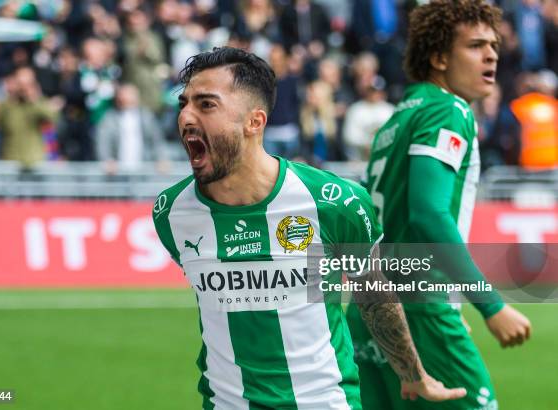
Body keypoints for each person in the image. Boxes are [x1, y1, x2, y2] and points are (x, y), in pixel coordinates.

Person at [153, 46, 465, 410]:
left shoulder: (335, 203)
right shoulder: (171, 213)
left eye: (206, 105)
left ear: (255, 122)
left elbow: (375, 297)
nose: (186, 116)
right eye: (183, 104)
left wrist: (413, 374)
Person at [344, 2, 532, 409]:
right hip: (419, 305)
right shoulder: (449, 110)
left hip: (371, 308)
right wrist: (491, 305)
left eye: (494, 45)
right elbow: (428, 215)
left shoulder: (397, 119)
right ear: (439, 57)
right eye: (476, 45)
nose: (491, 55)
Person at [95, 83, 169, 172]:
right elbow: (103, 142)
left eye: (129, 96)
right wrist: (107, 160)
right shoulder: (109, 118)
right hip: (117, 170)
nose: (124, 99)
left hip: (143, 168)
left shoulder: (146, 116)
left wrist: (161, 158)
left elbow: (156, 140)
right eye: (122, 96)